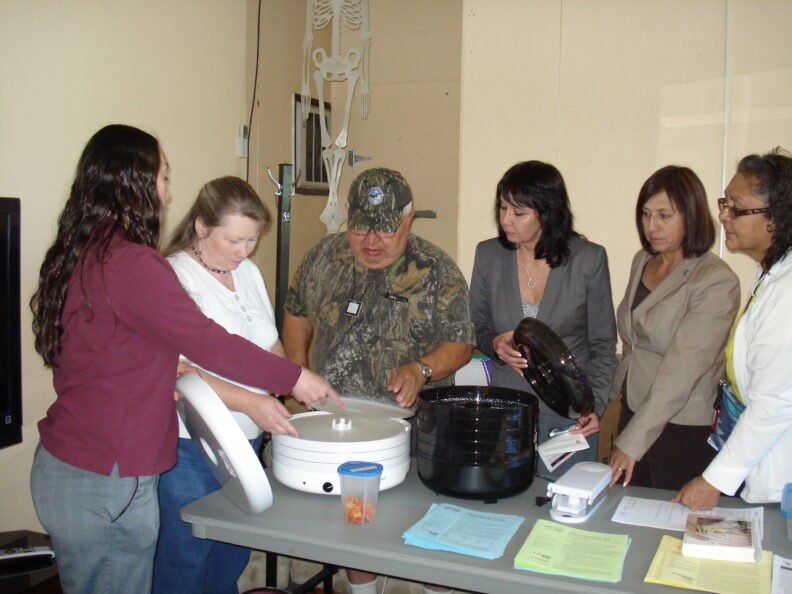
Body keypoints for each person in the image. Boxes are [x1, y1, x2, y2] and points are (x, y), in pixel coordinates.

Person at [28, 125, 340, 594]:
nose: (168, 192)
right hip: (105, 473)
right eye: (163, 177)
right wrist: (295, 377)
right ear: (135, 181)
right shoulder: (134, 264)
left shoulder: (86, 252)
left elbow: (122, 357)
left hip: (85, 462)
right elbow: (207, 343)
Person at [283, 167, 475, 594]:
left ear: (408, 218)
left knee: (426, 531)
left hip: (414, 431)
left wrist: (419, 370)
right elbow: (296, 314)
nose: (371, 242)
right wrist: (296, 373)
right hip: (342, 429)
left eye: (384, 231)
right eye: (360, 229)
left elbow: (461, 344)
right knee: (358, 526)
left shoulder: (436, 270)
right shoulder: (321, 258)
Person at [152, 177, 296, 593]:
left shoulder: (247, 272)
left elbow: (269, 343)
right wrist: (254, 401)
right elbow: (180, 370)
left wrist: (286, 386)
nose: (243, 251)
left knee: (231, 551)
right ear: (200, 227)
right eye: (234, 241)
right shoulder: (174, 277)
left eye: (251, 241)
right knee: (184, 558)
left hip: (245, 440)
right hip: (192, 446)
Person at [469, 160, 617, 479]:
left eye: (518, 213)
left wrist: (596, 406)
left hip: (570, 415)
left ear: (546, 212)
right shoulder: (488, 255)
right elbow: (477, 326)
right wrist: (493, 344)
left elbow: (604, 345)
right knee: (506, 504)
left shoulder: (588, 259)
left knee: (563, 511)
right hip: (507, 410)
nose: (505, 219)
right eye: (502, 207)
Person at [673, 148, 792, 510]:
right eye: (725, 203)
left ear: (777, 217)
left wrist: (713, 480)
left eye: (736, 207)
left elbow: (774, 403)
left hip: (779, 473)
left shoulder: (788, 292)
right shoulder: (771, 274)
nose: (723, 215)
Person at [607, 166, 739, 490]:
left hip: (680, 424)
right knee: (626, 514)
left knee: (670, 527)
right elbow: (634, 341)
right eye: (646, 214)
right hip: (633, 407)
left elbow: (682, 371)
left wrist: (632, 441)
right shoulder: (643, 260)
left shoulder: (714, 280)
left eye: (664, 216)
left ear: (691, 215)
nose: (652, 226)